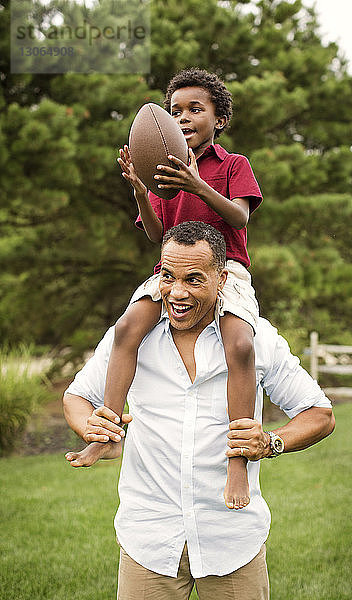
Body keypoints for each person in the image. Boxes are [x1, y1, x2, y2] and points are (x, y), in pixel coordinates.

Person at [64, 221, 335, 600]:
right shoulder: (132, 335)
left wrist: (271, 442)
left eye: (193, 280)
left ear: (222, 278)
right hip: (149, 541)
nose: (177, 293)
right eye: (168, 276)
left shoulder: (257, 338)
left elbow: (319, 413)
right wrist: (90, 427)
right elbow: (76, 398)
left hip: (232, 540)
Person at [72, 67, 263, 510]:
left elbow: (240, 219)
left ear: (219, 119)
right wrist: (141, 189)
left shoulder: (234, 166)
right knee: (126, 330)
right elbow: (157, 233)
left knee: (239, 345)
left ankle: (237, 458)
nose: (183, 118)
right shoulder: (161, 173)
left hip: (226, 268)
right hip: (171, 269)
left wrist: (196, 184)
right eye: (175, 110)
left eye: (196, 109)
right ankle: (109, 433)